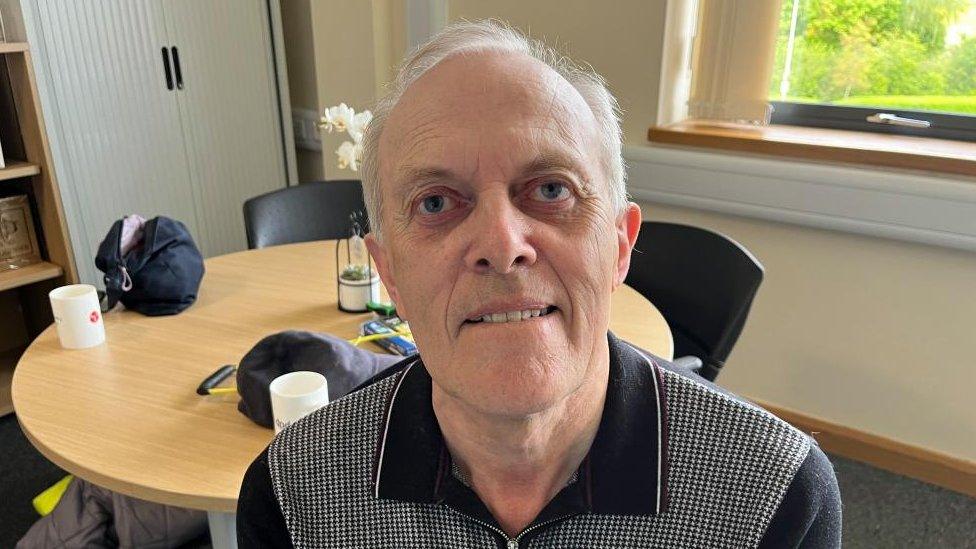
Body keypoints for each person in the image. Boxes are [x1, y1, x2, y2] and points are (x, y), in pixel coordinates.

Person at [237, 19, 841, 548]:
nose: (502, 247)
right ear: (389, 272)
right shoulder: (295, 498)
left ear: (620, 246)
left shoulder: (774, 498)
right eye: (437, 202)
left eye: (551, 190)